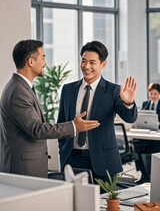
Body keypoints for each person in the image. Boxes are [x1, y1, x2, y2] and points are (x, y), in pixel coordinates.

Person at [0, 39, 100, 178]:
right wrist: (73, 126)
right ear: (31, 62)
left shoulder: (21, 87)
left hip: (27, 165)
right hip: (23, 169)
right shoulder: (18, 91)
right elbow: (36, 129)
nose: (45, 63)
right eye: (43, 57)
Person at [58, 40, 138, 188]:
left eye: (92, 62)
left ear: (103, 64)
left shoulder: (113, 90)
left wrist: (128, 103)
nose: (86, 66)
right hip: (72, 159)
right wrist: (62, 150)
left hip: (104, 161)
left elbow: (130, 118)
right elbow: (61, 124)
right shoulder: (68, 89)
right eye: (83, 61)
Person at [133, 83, 160, 184]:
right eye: (151, 93)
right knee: (135, 145)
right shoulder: (145, 104)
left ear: (159, 94)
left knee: (157, 147)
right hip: (147, 134)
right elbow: (141, 119)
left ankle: (155, 176)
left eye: (155, 94)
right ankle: (144, 174)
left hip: (157, 136)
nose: (153, 96)